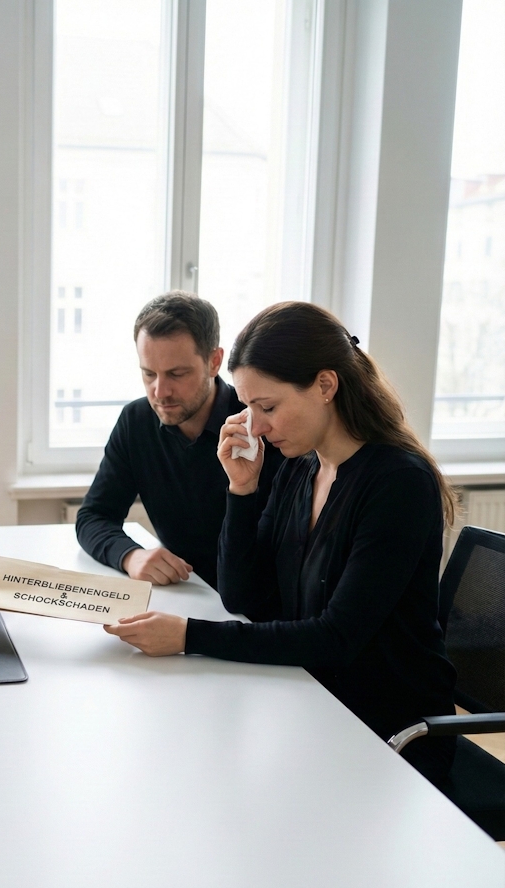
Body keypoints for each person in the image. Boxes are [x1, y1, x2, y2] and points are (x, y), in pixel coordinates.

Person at [104, 301, 458, 784]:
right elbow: (246, 598)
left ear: (326, 386)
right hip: (311, 699)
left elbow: (336, 638)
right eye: (249, 408)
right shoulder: (300, 466)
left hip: (387, 732)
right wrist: (242, 490)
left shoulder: (397, 483)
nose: (257, 427)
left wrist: (189, 635)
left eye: (267, 407)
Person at [76, 291, 283, 590]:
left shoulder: (262, 423)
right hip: (181, 593)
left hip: (254, 602)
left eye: (177, 373)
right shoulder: (136, 421)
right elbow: (93, 516)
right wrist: (131, 556)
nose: (160, 391)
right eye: (149, 374)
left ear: (214, 362)